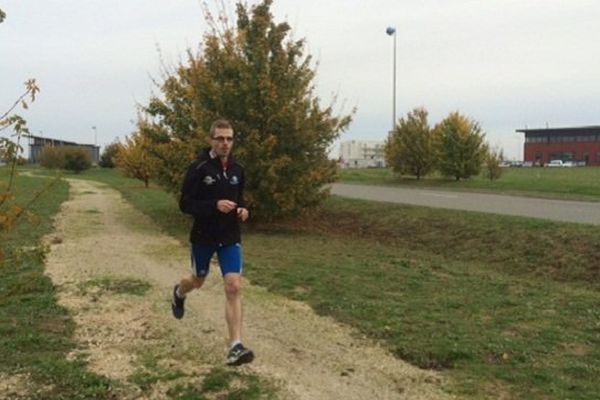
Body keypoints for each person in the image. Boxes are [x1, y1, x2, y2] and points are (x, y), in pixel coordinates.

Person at [171, 119, 254, 366]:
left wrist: (243, 210)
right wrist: (213, 205)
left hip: (230, 236)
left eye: (229, 138)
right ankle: (178, 292)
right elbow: (185, 204)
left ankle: (235, 346)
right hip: (204, 236)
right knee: (196, 281)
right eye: (220, 138)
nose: (225, 143)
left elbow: (239, 199)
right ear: (211, 140)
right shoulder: (198, 168)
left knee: (234, 286)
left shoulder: (238, 169)